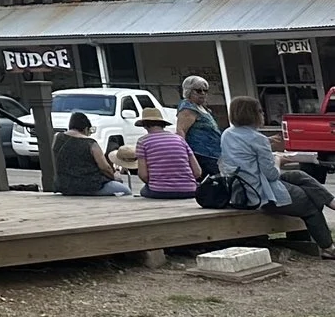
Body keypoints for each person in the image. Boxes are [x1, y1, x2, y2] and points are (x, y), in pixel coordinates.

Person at [220, 96, 335, 258]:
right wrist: (278, 159)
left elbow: (244, 147)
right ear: (252, 114)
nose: (263, 114)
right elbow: (272, 174)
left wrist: (267, 142)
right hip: (261, 193)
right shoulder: (258, 139)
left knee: (298, 175)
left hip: (241, 189)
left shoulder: (227, 134)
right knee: (310, 203)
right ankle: (327, 248)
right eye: (260, 110)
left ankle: (331, 201)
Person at [51, 112, 131, 196]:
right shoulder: (91, 144)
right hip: (91, 186)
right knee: (126, 190)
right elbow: (105, 168)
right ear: (85, 129)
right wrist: (114, 177)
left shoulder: (57, 137)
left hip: (64, 185)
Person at [129, 105, 199, 199]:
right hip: (190, 190)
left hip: (159, 191)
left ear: (145, 125)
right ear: (163, 124)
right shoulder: (180, 139)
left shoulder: (143, 142)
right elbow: (197, 172)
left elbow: (143, 174)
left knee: (143, 191)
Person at [177, 75, 223, 177]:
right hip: (200, 154)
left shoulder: (202, 107)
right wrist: (185, 155)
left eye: (205, 90)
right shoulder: (188, 108)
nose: (202, 93)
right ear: (189, 91)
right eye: (198, 91)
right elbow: (181, 131)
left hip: (213, 154)